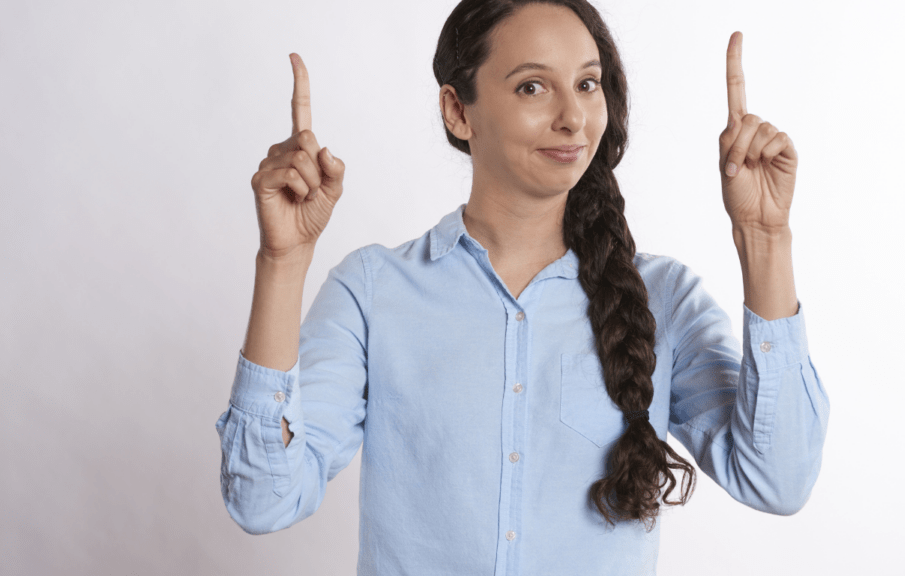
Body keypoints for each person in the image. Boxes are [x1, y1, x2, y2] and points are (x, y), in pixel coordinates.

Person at [214, 0, 829, 573]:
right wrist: (283, 260)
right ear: (458, 110)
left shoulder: (663, 298)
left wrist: (764, 236)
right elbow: (263, 500)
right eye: (533, 86)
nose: (571, 117)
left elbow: (776, 479)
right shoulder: (374, 292)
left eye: (587, 84)